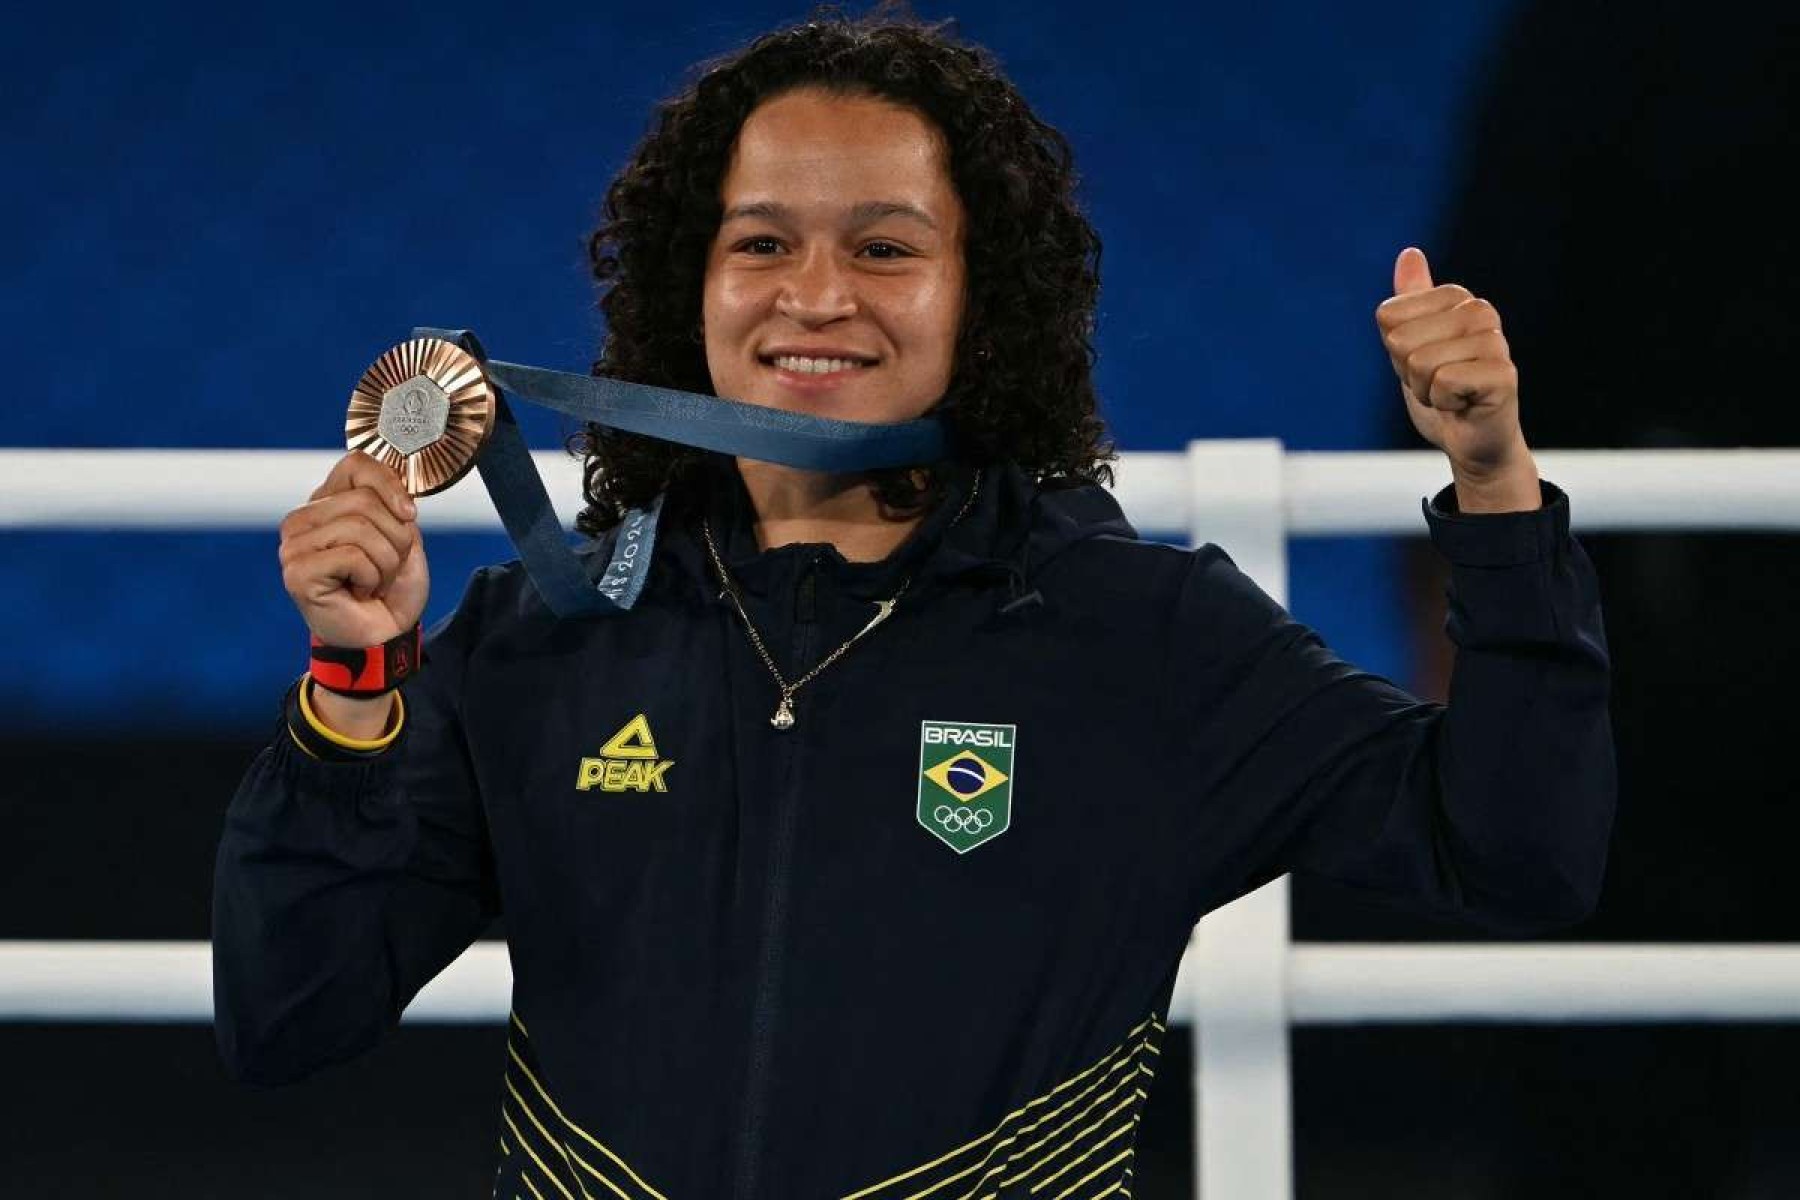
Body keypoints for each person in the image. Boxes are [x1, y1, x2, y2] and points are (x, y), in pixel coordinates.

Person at [214, 12, 1615, 1199]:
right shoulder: (545, 635)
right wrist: (357, 685)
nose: (813, 296)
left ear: (985, 296)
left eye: (885, 249)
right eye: (759, 244)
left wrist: (1493, 489)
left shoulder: (1137, 637)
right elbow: (288, 1012)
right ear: (685, 287)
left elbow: (1514, 852)